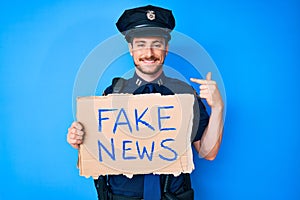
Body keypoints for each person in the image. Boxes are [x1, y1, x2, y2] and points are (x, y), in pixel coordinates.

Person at [67, 5, 224, 200]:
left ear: (165, 49)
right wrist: (80, 141)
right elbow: (99, 151)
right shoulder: (112, 94)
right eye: (140, 44)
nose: (148, 52)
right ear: (131, 49)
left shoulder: (185, 95)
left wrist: (218, 107)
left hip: (172, 196)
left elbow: (208, 153)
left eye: (156, 44)